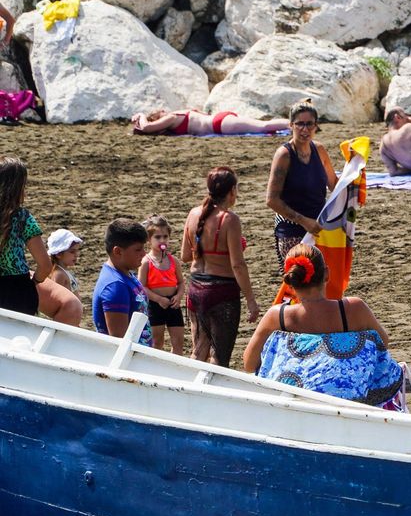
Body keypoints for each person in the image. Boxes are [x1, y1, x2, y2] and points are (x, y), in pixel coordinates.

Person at [243, 245, 409, 408]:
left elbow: (249, 364)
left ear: (290, 282)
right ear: (327, 274)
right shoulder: (353, 309)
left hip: (294, 406)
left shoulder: (277, 317)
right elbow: (382, 343)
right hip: (347, 405)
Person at [183, 166, 260, 367]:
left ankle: (190, 386)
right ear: (232, 191)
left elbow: (185, 256)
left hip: (196, 289)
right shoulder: (229, 220)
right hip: (221, 293)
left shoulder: (193, 214)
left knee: (198, 351)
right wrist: (251, 300)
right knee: (220, 357)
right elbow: (238, 265)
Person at [0, 157, 80, 324]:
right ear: (18, 188)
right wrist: (34, 283)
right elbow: (45, 265)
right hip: (18, 291)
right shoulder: (23, 218)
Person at [266, 102, 336, 273]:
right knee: (300, 282)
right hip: (292, 230)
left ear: (316, 126)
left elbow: (333, 183)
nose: (305, 129)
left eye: (309, 124)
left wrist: (354, 166)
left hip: (318, 229)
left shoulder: (319, 150)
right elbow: (272, 200)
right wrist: (304, 221)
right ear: (291, 125)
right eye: (300, 124)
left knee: (322, 281)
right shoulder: (284, 155)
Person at [91, 219, 153, 346]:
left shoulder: (125, 274)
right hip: (130, 357)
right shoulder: (115, 287)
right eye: (138, 250)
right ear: (118, 251)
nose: (144, 253)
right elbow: (120, 342)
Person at [138, 216, 186, 355]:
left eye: (165, 237)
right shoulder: (146, 262)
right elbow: (142, 287)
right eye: (158, 237)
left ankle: (175, 365)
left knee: (178, 342)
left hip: (173, 304)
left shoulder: (173, 260)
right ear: (149, 239)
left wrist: (178, 296)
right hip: (155, 305)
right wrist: (158, 299)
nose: (162, 240)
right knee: (157, 343)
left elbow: (181, 282)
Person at [131, 109, 291, 136]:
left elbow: (147, 127)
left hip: (218, 124)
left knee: (263, 126)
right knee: (261, 125)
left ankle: (295, 123)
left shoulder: (172, 117)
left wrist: (140, 115)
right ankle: (294, 124)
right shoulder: (180, 113)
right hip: (219, 121)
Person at [46, 228, 83, 298]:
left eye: (77, 251)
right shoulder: (59, 274)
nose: (76, 254)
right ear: (58, 254)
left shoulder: (64, 271)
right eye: (72, 252)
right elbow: (55, 298)